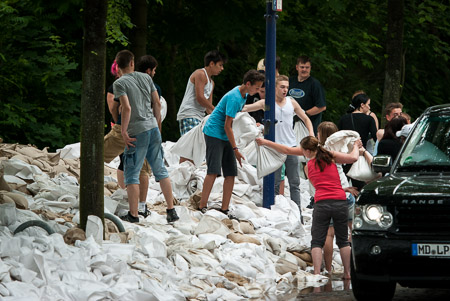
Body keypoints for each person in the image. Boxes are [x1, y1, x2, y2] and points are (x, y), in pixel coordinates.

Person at [256, 136, 361, 279]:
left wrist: (265, 142)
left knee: (317, 240)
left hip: (322, 203)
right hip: (340, 201)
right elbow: (353, 158)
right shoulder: (331, 156)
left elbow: (287, 150)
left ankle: (317, 272)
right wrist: (355, 145)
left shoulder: (307, 167)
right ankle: (348, 273)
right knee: (343, 240)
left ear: (307, 150)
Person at [113, 50, 179, 224]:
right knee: (160, 170)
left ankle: (133, 215)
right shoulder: (147, 78)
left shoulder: (119, 83)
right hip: (152, 128)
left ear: (118, 66)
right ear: (133, 63)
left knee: (132, 173)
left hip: (137, 132)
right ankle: (171, 210)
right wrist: (157, 126)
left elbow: (126, 108)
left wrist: (124, 131)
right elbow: (157, 103)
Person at [243, 75, 314, 220]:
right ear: (275, 88)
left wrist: (311, 134)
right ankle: (274, 213)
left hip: (291, 145)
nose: (285, 90)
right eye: (282, 87)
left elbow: (305, 118)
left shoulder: (292, 103)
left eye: (287, 87)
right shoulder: (267, 102)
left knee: (295, 182)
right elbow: (245, 108)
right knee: (274, 182)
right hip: (274, 148)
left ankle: (297, 215)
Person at [198, 70, 265, 219]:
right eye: (256, 87)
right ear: (248, 84)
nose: (257, 91)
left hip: (224, 134)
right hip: (214, 133)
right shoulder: (235, 98)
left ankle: (225, 208)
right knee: (213, 171)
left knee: (231, 173)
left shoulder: (244, 95)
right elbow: (227, 126)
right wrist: (235, 149)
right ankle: (202, 205)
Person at [103, 61, 152, 218]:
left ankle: (132, 206)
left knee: (123, 162)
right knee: (140, 166)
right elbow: (156, 105)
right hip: (144, 129)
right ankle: (140, 205)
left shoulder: (117, 86)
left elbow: (114, 108)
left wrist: (120, 125)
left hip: (126, 129)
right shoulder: (146, 85)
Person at [317, 122, 359, 275]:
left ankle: (328, 269)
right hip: (346, 194)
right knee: (351, 232)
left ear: (321, 134)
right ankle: (351, 270)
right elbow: (355, 157)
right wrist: (356, 145)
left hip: (328, 196)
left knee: (329, 234)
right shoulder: (340, 150)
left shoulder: (320, 153)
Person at [177, 50, 226, 136]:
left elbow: (208, 108)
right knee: (191, 147)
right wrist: (217, 110)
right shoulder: (200, 74)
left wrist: (220, 118)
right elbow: (200, 98)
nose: (222, 68)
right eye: (220, 65)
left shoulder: (212, 83)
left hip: (200, 118)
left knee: (201, 146)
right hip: (189, 115)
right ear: (211, 64)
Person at [288, 55, 326, 135]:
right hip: (289, 125)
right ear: (297, 67)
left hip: (308, 128)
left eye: (307, 67)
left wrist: (303, 114)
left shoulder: (315, 84)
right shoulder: (290, 81)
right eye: (302, 67)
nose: (304, 69)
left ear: (310, 68)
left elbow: (321, 107)